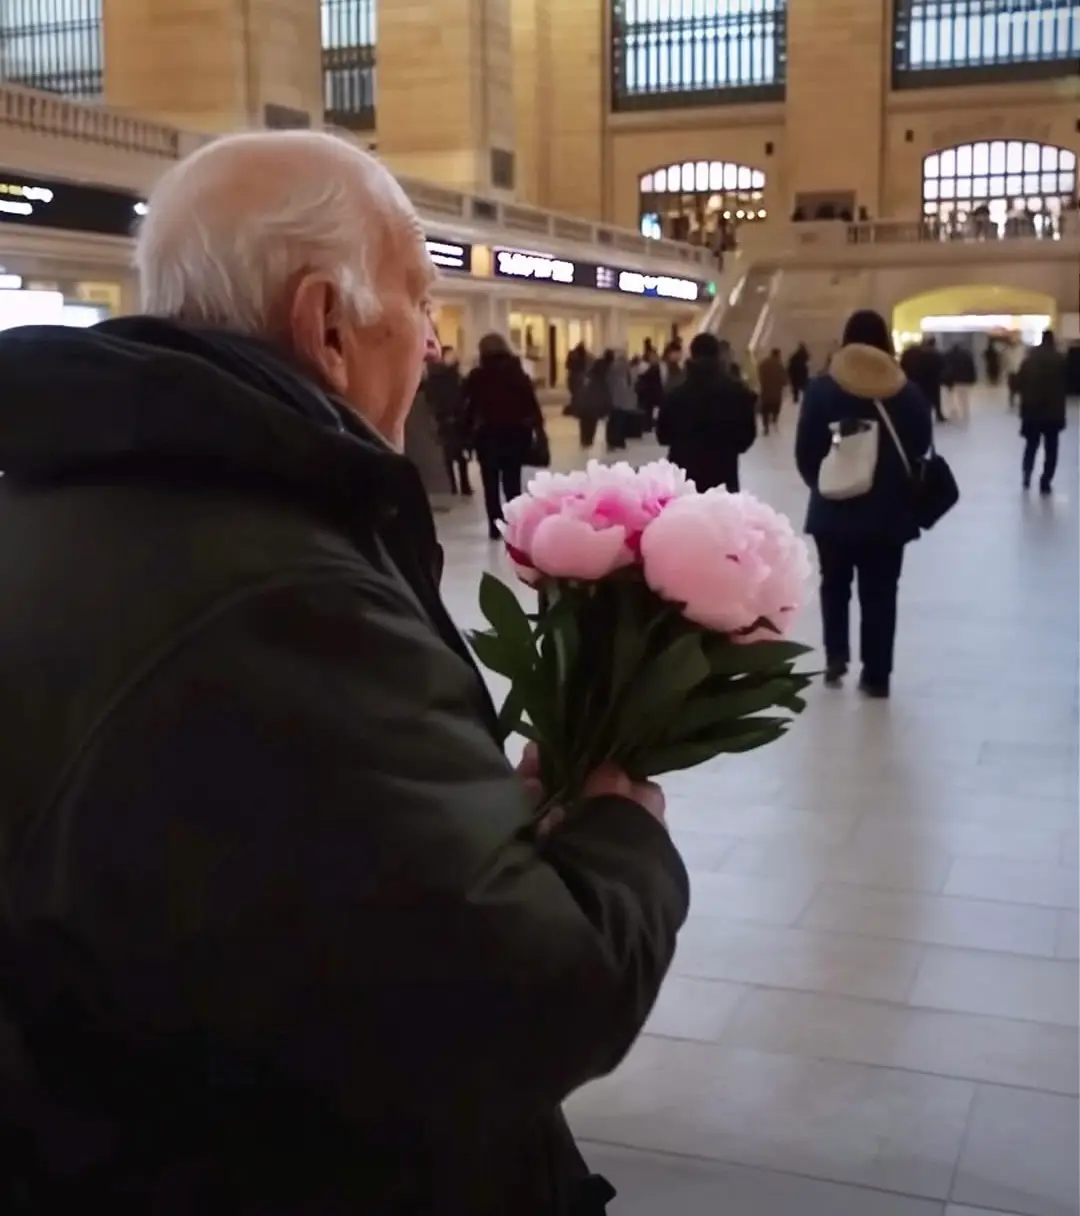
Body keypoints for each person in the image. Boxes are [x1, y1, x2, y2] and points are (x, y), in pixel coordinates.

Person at [0, 131, 689, 1214]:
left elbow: (238, 848)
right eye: (419, 301)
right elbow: (525, 996)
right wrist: (621, 833)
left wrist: (448, 813)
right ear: (327, 323)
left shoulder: (55, 506)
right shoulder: (284, 594)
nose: (429, 339)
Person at [795, 309, 933, 699]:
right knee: (881, 591)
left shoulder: (823, 389)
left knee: (834, 584)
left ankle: (836, 654)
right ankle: (877, 674)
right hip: (889, 513)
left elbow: (806, 451)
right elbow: (921, 445)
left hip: (834, 509)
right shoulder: (907, 392)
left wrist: (825, 483)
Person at [463, 332, 547, 539]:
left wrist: (465, 434)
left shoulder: (477, 376)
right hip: (515, 435)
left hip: (487, 436)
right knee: (512, 482)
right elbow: (531, 406)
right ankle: (514, 522)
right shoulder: (517, 374)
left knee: (490, 485)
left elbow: (468, 408)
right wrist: (539, 430)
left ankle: (494, 525)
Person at [657, 331, 757, 493]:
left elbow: (663, 436)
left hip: (684, 478)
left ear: (692, 354)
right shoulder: (737, 392)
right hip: (724, 475)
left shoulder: (676, 393)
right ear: (718, 355)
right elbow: (747, 436)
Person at [1017, 329, 1068, 495]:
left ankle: (1026, 475)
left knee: (1031, 445)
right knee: (1051, 448)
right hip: (1053, 412)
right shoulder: (1059, 359)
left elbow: (1019, 382)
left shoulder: (1029, 359)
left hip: (1032, 410)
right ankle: (1045, 480)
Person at [426, 344, 472, 496]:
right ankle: (460, 484)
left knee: (452, 454)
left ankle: (456, 484)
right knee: (456, 454)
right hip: (452, 418)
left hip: (449, 418)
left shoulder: (437, 377)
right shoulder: (449, 377)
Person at [900, 336, 945, 423]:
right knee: (934, 398)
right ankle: (938, 414)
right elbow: (941, 366)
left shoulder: (909, 353)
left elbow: (903, 365)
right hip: (932, 379)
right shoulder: (932, 353)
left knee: (919, 397)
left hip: (913, 379)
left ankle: (921, 414)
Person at [942, 343, 976, 423]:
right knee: (964, 396)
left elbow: (944, 368)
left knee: (951, 397)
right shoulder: (967, 355)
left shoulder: (947, 355)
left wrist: (944, 379)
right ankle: (965, 410)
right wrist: (972, 379)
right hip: (965, 380)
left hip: (952, 380)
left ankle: (953, 411)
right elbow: (971, 368)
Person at [757, 347, 787, 435]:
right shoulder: (780, 365)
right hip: (776, 393)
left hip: (765, 392)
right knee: (775, 407)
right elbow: (784, 380)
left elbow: (760, 375)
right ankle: (774, 419)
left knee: (765, 410)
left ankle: (766, 427)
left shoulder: (764, 363)